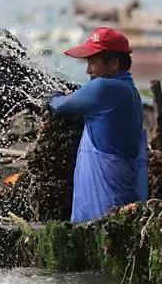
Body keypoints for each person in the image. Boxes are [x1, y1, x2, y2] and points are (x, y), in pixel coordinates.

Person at [46, 27, 148, 223]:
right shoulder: (129, 91)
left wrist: (53, 98)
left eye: (92, 62)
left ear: (114, 63)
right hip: (118, 198)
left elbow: (59, 106)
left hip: (104, 208)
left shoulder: (104, 88)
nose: (88, 70)